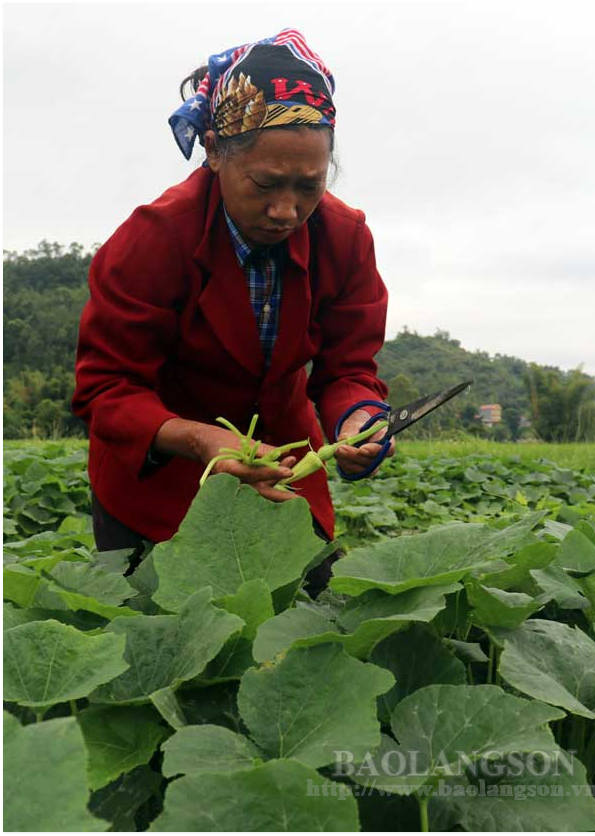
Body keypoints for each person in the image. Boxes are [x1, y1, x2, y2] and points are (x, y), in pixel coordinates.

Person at [72, 28, 394, 589]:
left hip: (284, 476)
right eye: (266, 184)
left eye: (308, 185)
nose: (287, 210)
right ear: (216, 152)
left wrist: (357, 417)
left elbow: (348, 369)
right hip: (161, 484)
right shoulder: (154, 239)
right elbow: (107, 390)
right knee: (163, 641)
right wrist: (202, 441)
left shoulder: (344, 237)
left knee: (297, 639)